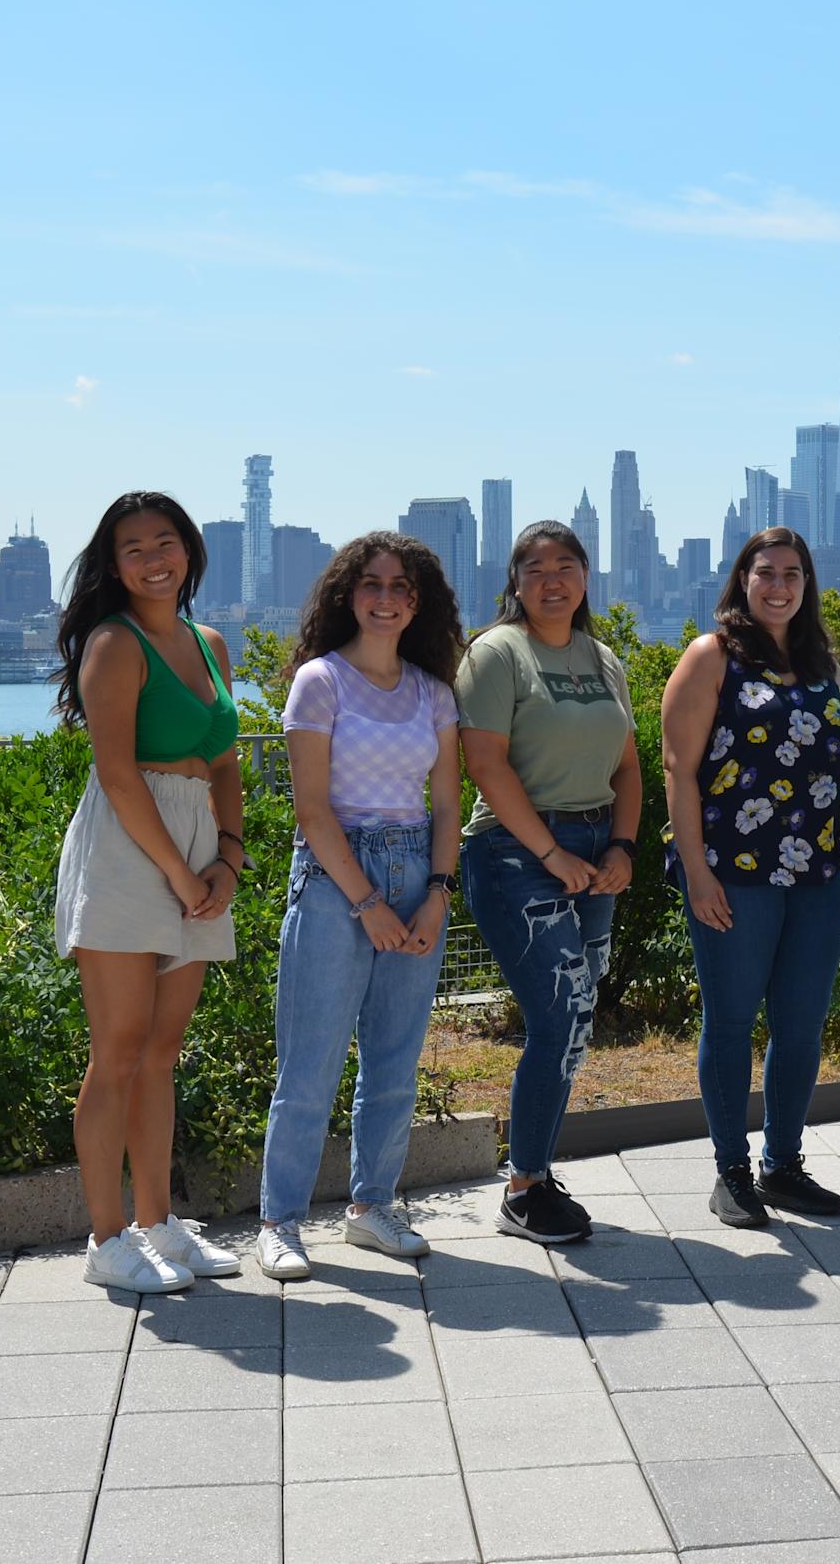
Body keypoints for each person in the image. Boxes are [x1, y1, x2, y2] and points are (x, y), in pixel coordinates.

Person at [255, 533, 465, 1281]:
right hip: (335, 875)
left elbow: (446, 803)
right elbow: (312, 811)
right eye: (372, 584)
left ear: (419, 601)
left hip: (417, 872)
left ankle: (371, 1207)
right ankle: (280, 1220)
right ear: (349, 594)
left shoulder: (434, 692)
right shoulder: (320, 681)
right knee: (308, 1065)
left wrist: (438, 893)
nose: (385, 598)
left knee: (394, 1062)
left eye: (401, 586)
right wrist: (368, 902)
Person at [52, 491, 244, 1293]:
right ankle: (105, 1241)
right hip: (131, 850)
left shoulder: (210, 643)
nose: (153, 557)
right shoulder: (113, 644)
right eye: (134, 547)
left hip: (198, 839)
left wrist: (227, 860)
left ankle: (157, 1222)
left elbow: (227, 762)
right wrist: (176, 870)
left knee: (163, 1052)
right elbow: (118, 774)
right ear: (114, 563)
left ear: (190, 551)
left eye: (166, 541)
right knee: (119, 1052)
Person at [661, 528, 840, 1227]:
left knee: (801, 1027)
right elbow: (679, 771)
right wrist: (696, 873)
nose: (779, 586)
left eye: (793, 574)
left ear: (807, 585)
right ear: (742, 579)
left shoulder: (821, 659)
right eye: (765, 572)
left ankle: (783, 1165)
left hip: (816, 875)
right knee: (734, 1021)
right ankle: (731, 1171)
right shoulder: (713, 656)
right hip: (733, 873)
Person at [458, 522, 643, 1244]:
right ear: (515, 584)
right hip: (515, 851)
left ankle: (537, 1169)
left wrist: (622, 845)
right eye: (535, 568)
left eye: (567, 565)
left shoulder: (603, 659)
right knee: (560, 1013)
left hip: (597, 846)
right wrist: (550, 852)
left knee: (576, 1020)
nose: (552, 578)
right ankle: (523, 1186)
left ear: (586, 578)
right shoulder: (496, 653)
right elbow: (486, 764)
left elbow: (627, 767)